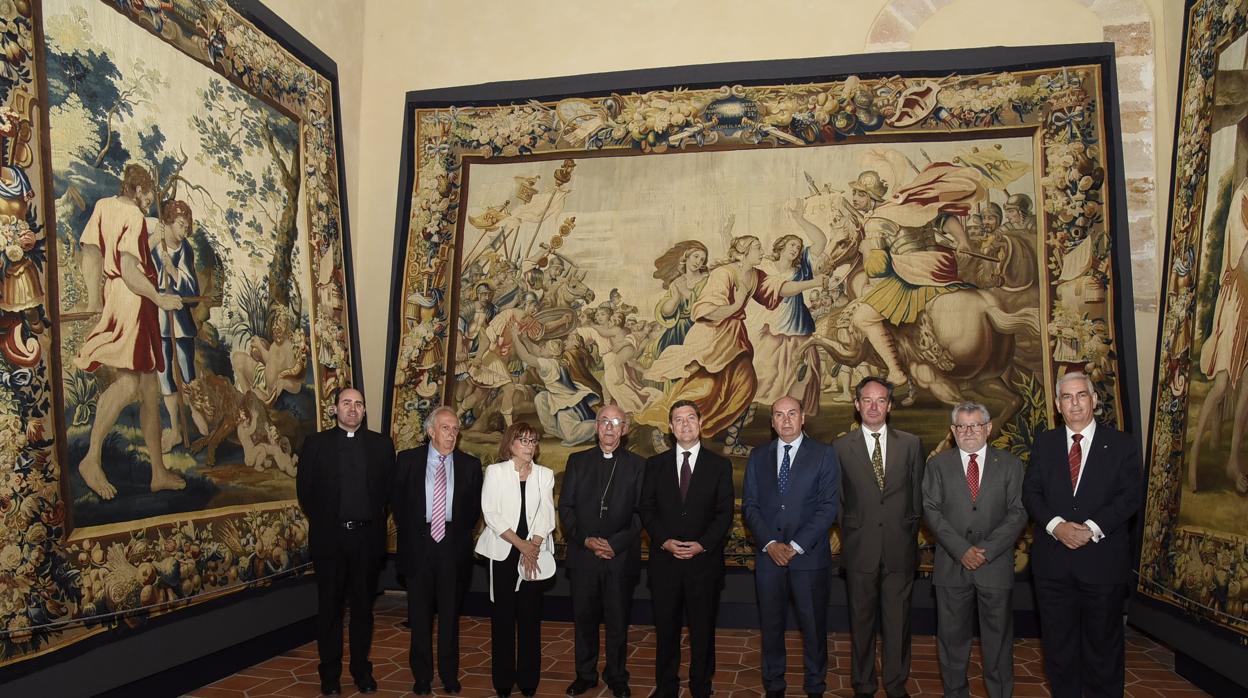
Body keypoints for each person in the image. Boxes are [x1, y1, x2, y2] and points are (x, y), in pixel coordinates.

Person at [1022, 371, 1143, 698]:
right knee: (1059, 651)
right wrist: (1057, 526)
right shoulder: (1045, 443)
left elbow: (1130, 497)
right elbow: (1031, 493)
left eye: (1081, 395)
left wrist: (1090, 529)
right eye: (1066, 397)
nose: (1074, 403)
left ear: (1094, 400)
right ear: (1058, 405)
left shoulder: (1121, 444)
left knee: (1103, 651)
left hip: (1102, 566)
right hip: (1053, 568)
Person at [74, 163, 186, 500]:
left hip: (120, 296)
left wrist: (96, 298)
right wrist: (160, 298)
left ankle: (157, 472)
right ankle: (91, 458)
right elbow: (129, 271)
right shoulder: (134, 216)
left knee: (149, 390)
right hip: (134, 300)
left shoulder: (104, 207)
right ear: (136, 189)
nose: (151, 200)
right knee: (129, 383)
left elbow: (90, 254)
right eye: (148, 193)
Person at [922, 402, 1027, 698]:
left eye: (975, 425)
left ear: (988, 428)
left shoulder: (1010, 465)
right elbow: (930, 510)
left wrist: (986, 550)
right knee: (952, 642)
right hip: (952, 566)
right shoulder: (937, 465)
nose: (968, 432)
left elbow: (1018, 513)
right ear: (953, 431)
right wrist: (961, 550)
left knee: (998, 642)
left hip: (994, 566)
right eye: (962, 426)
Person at [295, 388, 395, 696]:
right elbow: (306, 494)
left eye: (358, 404)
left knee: (364, 609)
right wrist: (330, 525)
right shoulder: (315, 445)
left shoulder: (381, 445)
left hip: (367, 541)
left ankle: (361, 670)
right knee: (330, 610)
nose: (352, 409)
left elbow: (387, 494)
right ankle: (329, 674)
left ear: (364, 411)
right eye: (346, 403)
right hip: (331, 541)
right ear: (335, 409)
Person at [741, 396, 840, 698]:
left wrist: (794, 545)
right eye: (779, 415)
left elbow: (828, 508)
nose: (786, 420)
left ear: (802, 418)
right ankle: (774, 685)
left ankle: (814, 686)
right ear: (771, 422)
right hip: (769, 558)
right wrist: (770, 544)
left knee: (813, 628)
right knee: (771, 628)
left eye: (792, 414)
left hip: (808, 558)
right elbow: (750, 506)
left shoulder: (824, 455)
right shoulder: (758, 456)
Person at [832, 376, 924, 698]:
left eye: (880, 400)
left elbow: (917, 500)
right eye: (867, 400)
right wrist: (853, 535)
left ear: (890, 406)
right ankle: (863, 684)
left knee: (898, 624)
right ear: (857, 405)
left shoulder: (911, 444)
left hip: (900, 549)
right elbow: (839, 502)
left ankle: (896, 684)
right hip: (860, 550)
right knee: (861, 624)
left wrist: (906, 534)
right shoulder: (841, 447)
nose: (873, 406)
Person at [639, 400, 734, 698]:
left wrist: (702, 544)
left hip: (703, 565)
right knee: (666, 631)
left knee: (702, 632)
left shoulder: (720, 465)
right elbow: (647, 509)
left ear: (701, 423)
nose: (685, 424)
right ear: (670, 427)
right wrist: (664, 540)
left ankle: (700, 685)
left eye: (690, 418)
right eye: (678, 420)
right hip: (665, 562)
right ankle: (666, 686)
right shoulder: (654, 466)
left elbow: (724, 513)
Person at [393, 406, 483, 695]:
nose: (452, 434)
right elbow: (398, 505)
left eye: (456, 429)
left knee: (449, 618)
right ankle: (421, 676)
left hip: (452, 548)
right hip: (418, 547)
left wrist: (452, 533)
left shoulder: (470, 465)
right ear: (431, 431)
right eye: (446, 428)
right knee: (419, 618)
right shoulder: (407, 461)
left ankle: (449, 675)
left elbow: (472, 512)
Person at [558, 405, 645, 698]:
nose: (609, 427)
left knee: (618, 621)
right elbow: (566, 508)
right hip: (584, 556)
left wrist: (615, 544)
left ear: (625, 429)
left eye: (616, 422)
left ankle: (617, 674)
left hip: (620, 558)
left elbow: (640, 513)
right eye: (604, 421)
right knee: (584, 620)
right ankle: (585, 674)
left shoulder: (638, 465)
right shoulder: (577, 461)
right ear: (596, 427)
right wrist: (586, 540)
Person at [476, 422, 557, 698]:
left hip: (535, 554)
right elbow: (491, 514)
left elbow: (547, 514)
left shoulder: (545, 475)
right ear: (510, 444)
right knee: (502, 618)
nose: (529, 446)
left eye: (533, 441)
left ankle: (528, 680)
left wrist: (533, 546)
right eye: (523, 440)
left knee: (530, 617)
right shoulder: (495, 472)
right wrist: (521, 545)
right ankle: (502, 680)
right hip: (503, 552)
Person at [149, 200, 200, 453]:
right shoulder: (154, 246)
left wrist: (174, 270)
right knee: (165, 374)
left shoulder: (185, 249)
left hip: (179, 320)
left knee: (186, 369)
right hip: (159, 317)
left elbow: (192, 290)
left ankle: (196, 418)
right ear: (168, 222)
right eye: (181, 224)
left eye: (187, 226)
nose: (184, 230)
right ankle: (175, 428)